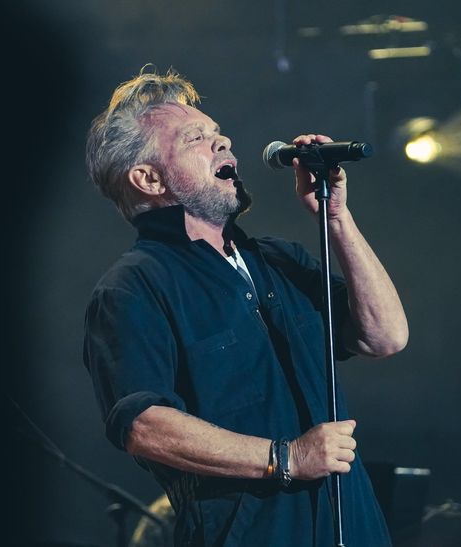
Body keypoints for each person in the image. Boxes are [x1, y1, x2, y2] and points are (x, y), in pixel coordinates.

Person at [83, 66, 409, 546]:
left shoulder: (279, 260)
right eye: (196, 138)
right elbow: (144, 426)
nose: (223, 141)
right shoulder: (134, 287)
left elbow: (384, 337)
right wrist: (286, 458)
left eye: (217, 131)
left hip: (355, 530)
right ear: (149, 178)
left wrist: (337, 218)